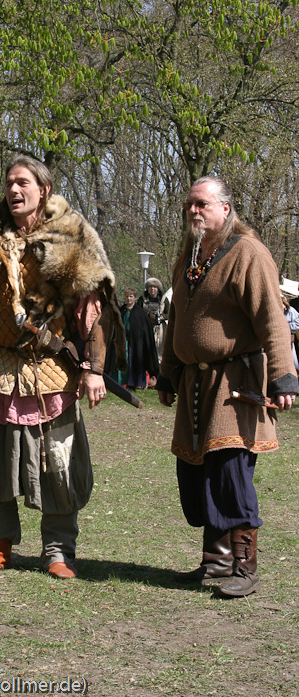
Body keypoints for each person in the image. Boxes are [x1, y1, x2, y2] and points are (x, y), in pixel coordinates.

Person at [0, 154, 125, 579]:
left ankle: (58, 551)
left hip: (52, 366)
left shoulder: (71, 234)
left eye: (23, 182)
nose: (14, 190)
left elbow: (92, 307)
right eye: (9, 182)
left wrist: (94, 368)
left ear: (44, 190)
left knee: (59, 462)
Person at [157, 176, 298, 597]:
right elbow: (177, 321)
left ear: (225, 208)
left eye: (201, 203)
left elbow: (272, 318)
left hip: (235, 383)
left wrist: (283, 376)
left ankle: (244, 567)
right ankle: (216, 562)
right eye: (188, 204)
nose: (193, 210)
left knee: (229, 473)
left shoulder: (247, 252)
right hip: (195, 382)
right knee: (197, 472)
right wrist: (167, 372)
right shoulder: (190, 255)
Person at [118, 287, 159, 389]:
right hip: (123, 342)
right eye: (127, 296)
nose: (129, 299)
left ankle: (137, 382)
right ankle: (122, 381)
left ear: (135, 298)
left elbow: (145, 330)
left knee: (135, 360)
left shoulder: (140, 313)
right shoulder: (121, 311)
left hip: (136, 343)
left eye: (131, 296)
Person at [137, 277, 169, 359]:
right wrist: (148, 315)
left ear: (158, 289)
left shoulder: (164, 299)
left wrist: (160, 317)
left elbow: (169, 313)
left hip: (160, 329)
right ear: (147, 289)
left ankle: (159, 363)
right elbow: (137, 312)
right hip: (145, 327)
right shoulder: (142, 299)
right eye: (150, 287)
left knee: (159, 349)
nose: (152, 289)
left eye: (155, 287)